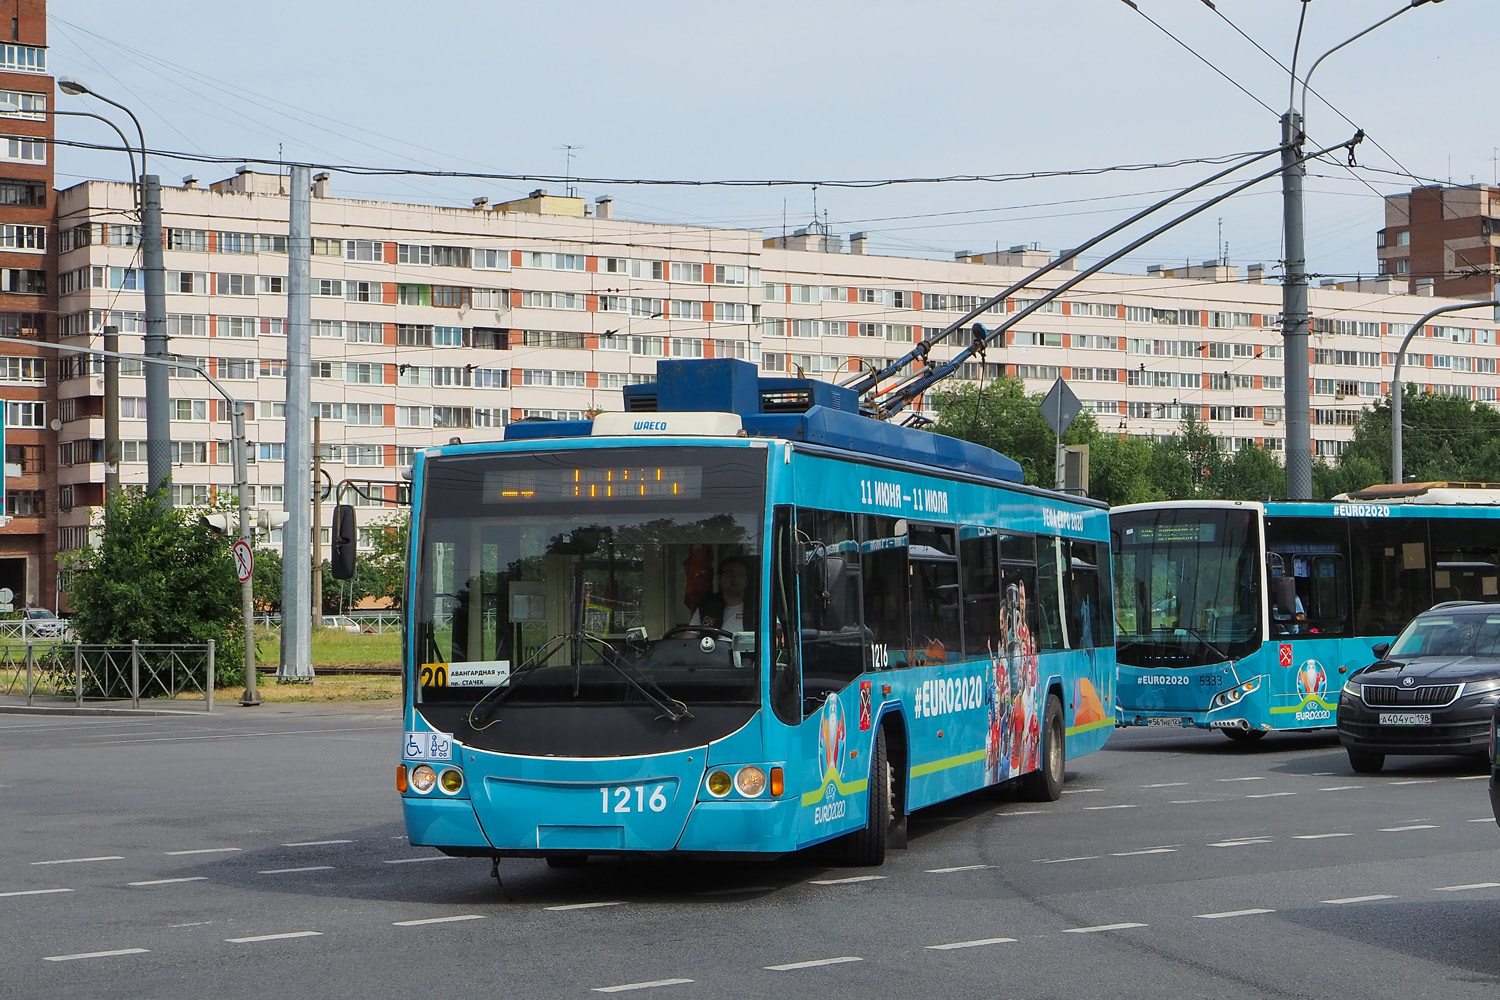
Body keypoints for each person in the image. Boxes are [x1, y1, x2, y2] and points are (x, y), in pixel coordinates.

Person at [690, 555, 754, 630]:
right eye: (729, 573)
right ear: (719, 578)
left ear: (746, 580)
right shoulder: (707, 606)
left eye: (740, 573)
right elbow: (690, 635)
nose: (734, 578)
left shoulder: (757, 607)